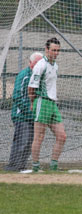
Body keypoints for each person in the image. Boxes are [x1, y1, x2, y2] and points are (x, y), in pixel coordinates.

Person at [28, 37, 67, 172]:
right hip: (42, 101)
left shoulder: (55, 65)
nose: (56, 53)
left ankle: (54, 166)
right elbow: (31, 86)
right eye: (53, 50)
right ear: (47, 50)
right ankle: (35, 167)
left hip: (52, 104)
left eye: (58, 51)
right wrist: (33, 102)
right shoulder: (40, 65)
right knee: (39, 136)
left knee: (62, 136)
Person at [4, 52, 43, 172]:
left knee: (29, 143)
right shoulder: (24, 75)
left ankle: (21, 166)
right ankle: (13, 166)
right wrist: (29, 110)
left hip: (33, 116)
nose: (38, 65)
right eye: (36, 62)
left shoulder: (40, 76)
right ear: (31, 63)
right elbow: (17, 96)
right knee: (22, 140)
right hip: (22, 116)